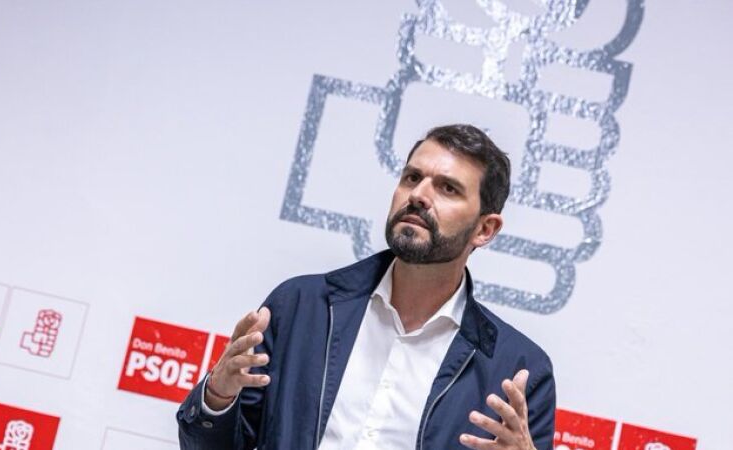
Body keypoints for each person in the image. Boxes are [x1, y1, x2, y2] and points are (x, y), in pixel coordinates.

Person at [176, 124, 556, 450]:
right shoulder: (300, 307)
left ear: (485, 229)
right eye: (412, 178)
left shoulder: (518, 372)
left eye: (448, 189)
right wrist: (217, 398)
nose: (419, 195)